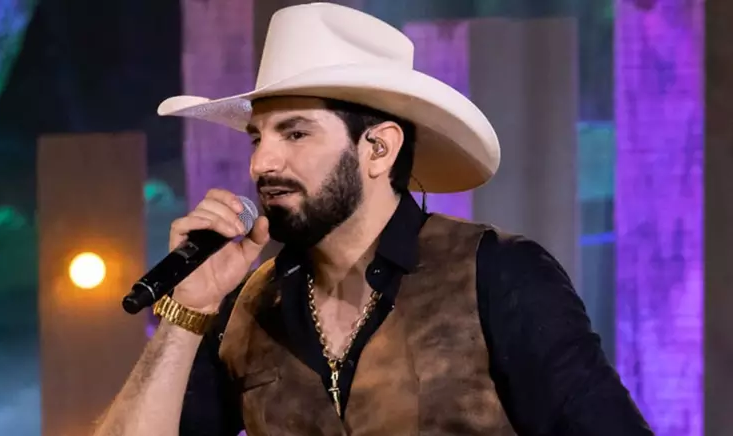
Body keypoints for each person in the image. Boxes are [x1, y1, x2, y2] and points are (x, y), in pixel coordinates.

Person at [93, 3, 653, 436]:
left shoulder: (495, 274)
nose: (262, 163)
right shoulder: (247, 308)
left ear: (378, 149)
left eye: (295, 133)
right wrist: (186, 312)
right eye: (257, 138)